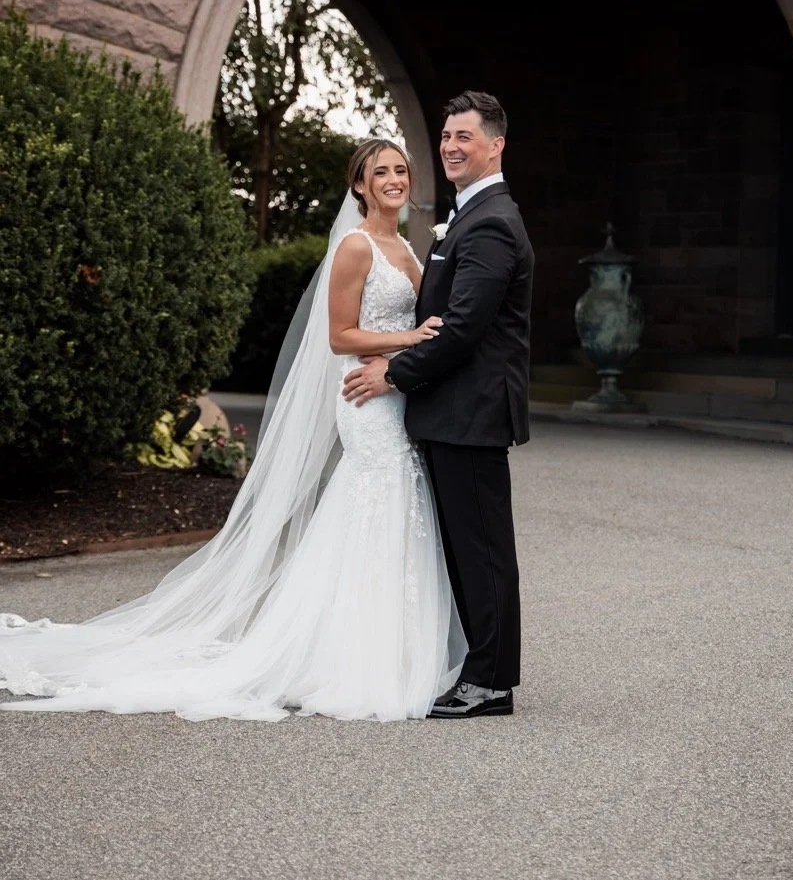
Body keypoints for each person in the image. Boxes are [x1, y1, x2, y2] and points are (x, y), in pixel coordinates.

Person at [0, 139, 466, 722]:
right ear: (360, 185)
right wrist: (409, 340)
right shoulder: (355, 246)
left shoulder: (405, 246)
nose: (394, 179)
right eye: (381, 173)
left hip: (394, 393)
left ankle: (385, 646)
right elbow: (340, 336)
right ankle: (351, 659)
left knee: (392, 509)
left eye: (401, 170)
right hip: (366, 401)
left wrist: (409, 353)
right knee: (380, 500)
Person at [343, 91, 534, 719]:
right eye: (447, 135)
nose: (451, 145)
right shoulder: (469, 218)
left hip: (472, 413)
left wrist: (392, 373)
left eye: (465, 137)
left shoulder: (492, 222)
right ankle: (478, 668)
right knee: (467, 545)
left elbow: (461, 329)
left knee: (482, 549)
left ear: (495, 145)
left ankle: (489, 682)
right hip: (454, 412)